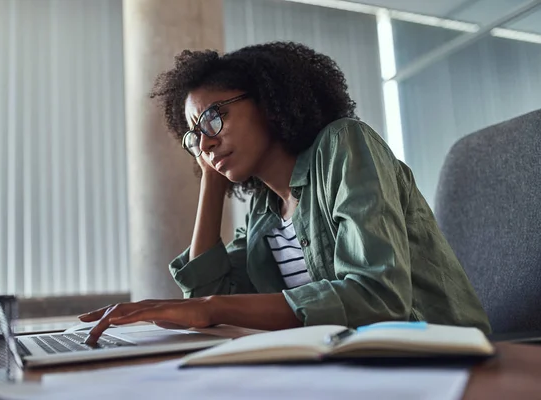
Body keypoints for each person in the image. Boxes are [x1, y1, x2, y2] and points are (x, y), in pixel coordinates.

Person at [80, 42, 490, 345]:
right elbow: (216, 296)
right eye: (193, 136)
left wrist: (208, 308)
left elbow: (378, 297)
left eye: (212, 119)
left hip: (435, 354)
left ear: (268, 100)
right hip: (343, 365)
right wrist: (211, 179)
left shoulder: (344, 146)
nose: (203, 143)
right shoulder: (264, 210)